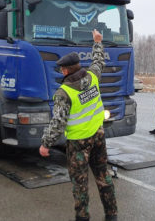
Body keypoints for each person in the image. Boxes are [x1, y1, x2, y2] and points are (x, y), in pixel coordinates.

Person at [39, 29, 118, 221]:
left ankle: (82, 218)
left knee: (80, 184)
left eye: (62, 70)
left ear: (66, 70)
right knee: (103, 176)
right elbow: (99, 62)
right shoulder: (92, 77)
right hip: (98, 135)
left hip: (78, 144)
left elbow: (58, 122)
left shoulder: (64, 93)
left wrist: (45, 143)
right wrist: (97, 42)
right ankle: (112, 215)